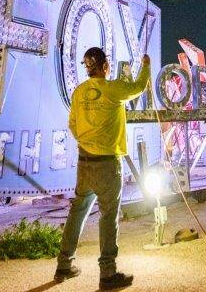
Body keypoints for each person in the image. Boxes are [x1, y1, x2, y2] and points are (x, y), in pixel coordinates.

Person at [55, 46, 151, 290]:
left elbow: (73, 124)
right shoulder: (112, 89)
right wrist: (146, 65)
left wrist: (87, 141)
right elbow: (139, 87)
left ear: (87, 68)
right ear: (105, 66)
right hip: (107, 164)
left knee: (77, 212)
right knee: (108, 217)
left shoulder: (78, 92)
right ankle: (107, 273)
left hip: (84, 162)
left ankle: (64, 265)